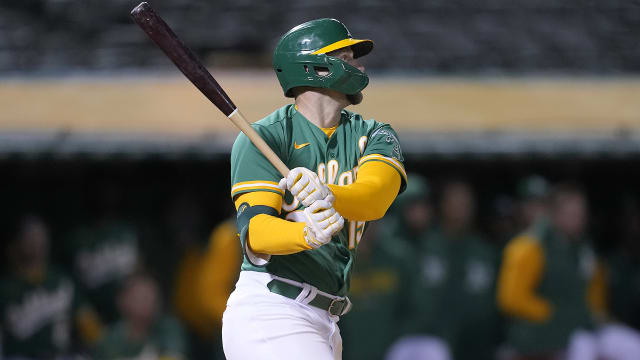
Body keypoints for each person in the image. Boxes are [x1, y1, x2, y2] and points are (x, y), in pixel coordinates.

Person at [222, 18, 407, 360]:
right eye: (347, 56)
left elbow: (376, 198)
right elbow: (256, 234)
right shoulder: (266, 137)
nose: (359, 64)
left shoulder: (375, 133)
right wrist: (306, 233)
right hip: (273, 308)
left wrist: (328, 193)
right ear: (313, 66)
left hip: (327, 317)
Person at [388, 180, 501, 360]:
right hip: (430, 342)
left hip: (476, 345)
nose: (460, 209)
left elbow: (492, 305)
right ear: (442, 205)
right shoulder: (422, 246)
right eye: (454, 202)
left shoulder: (484, 250)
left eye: (465, 203)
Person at [497, 183, 606, 359]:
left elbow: (594, 292)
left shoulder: (583, 249)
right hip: (541, 333)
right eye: (571, 213)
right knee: (583, 345)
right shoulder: (530, 244)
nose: (578, 218)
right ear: (555, 213)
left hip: (582, 329)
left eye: (581, 213)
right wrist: (553, 313)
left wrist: (595, 314)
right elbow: (510, 299)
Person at [0, 215, 102, 358]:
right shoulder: (6, 288)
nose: (37, 241)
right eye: (30, 236)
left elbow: (89, 324)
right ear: (17, 242)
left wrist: (100, 347)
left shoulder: (60, 279)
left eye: (41, 235)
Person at [93, 273, 187, 360]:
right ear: (122, 301)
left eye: (153, 295)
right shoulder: (109, 340)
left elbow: (175, 354)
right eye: (142, 296)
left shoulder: (169, 328)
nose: (149, 301)